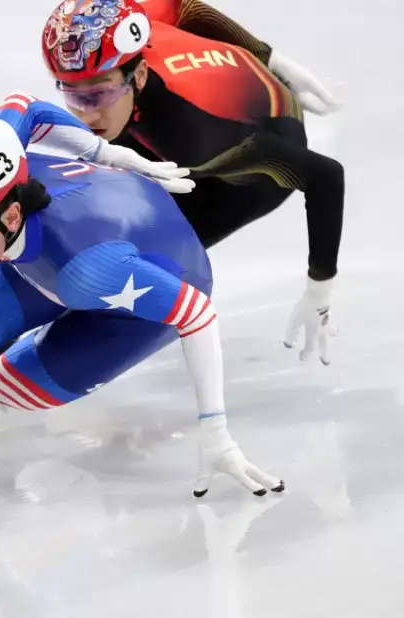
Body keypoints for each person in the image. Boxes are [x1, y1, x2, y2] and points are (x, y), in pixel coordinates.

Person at [0, 118, 285, 498]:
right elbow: (24, 106)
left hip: (129, 289)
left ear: (8, 217)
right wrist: (106, 151)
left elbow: (197, 315)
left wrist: (215, 431)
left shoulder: (88, 269)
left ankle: (14, 357)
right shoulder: (0, 157)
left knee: (10, 389)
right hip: (59, 255)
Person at [27, 0, 344, 365]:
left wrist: (319, 289)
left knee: (128, 256)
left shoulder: (194, 138)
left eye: (97, 94)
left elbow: (325, 176)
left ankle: (53, 360)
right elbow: (182, 5)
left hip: (251, 166)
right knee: (86, 203)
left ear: (140, 74)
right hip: (210, 99)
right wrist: (271, 58)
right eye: (72, 95)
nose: (86, 113)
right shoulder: (122, 27)